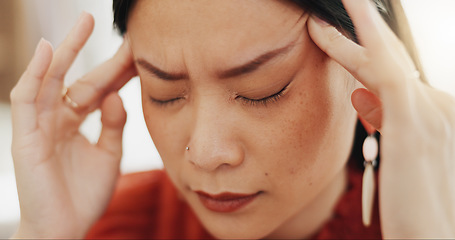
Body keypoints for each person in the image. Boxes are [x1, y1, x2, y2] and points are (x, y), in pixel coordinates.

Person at [9, 0, 455, 239]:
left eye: (262, 90)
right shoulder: (112, 224)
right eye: (164, 93)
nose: (205, 154)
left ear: (363, 64)